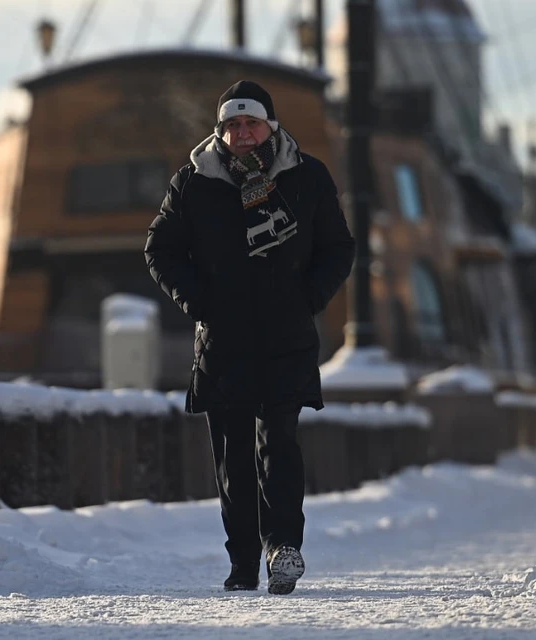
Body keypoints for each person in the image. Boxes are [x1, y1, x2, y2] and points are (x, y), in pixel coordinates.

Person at [144, 80, 355, 595]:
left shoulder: (305, 177)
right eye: (232, 125)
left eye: (251, 123)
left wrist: (308, 297)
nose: (242, 133)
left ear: (270, 127)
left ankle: (284, 548)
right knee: (232, 456)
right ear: (220, 131)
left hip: (287, 335)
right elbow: (160, 248)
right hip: (223, 340)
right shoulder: (194, 182)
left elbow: (338, 247)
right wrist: (200, 302)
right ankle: (242, 563)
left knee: (279, 441)